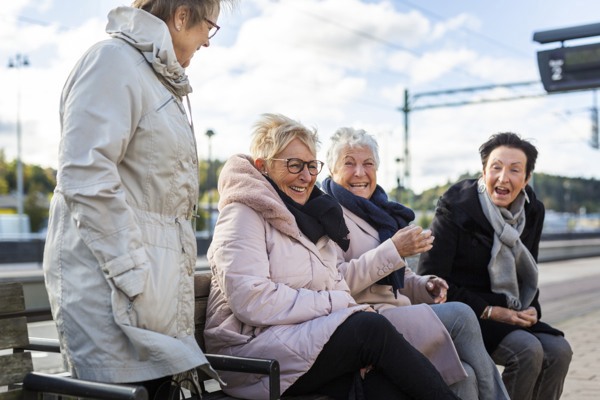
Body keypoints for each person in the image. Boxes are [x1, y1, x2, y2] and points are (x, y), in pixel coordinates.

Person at [42, 0, 233, 397]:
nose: (207, 42)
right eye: (209, 28)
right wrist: (133, 276)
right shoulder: (112, 62)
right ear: (182, 16)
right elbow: (85, 175)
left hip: (146, 306)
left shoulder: (153, 78)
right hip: (115, 303)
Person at [204, 113, 461, 400]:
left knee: (387, 387)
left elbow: (333, 282)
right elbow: (252, 300)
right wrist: (337, 304)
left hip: (296, 340)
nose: (306, 176)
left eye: (312, 166)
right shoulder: (242, 214)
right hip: (250, 354)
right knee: (370, 328)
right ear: (263, 167)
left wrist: (342, 304)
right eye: (294, 165)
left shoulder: (311, 216)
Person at [323, 127, 509, 400]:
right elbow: (335, 283)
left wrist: (426, 285)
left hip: (398, 313)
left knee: (465, 376)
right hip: (368, 321)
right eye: (349, 164)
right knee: (461, 314)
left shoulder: (380, 212)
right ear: (331, 170)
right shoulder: (327, 212)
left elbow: (402, 278)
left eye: (368, 164)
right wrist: (393, 249)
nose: (360, 172)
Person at [417, 132, 573, 400]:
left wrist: (532, 308)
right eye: (496, 168)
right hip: (470, 312)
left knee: (560, 350)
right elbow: (431, 279)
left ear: (526, 179)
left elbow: (528, 271)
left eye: (515, 170)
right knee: (527, 351)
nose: (503, 178)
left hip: (510, 309)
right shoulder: (455, 207)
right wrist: (490, 311)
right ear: (483, 172)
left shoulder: (532, 210)